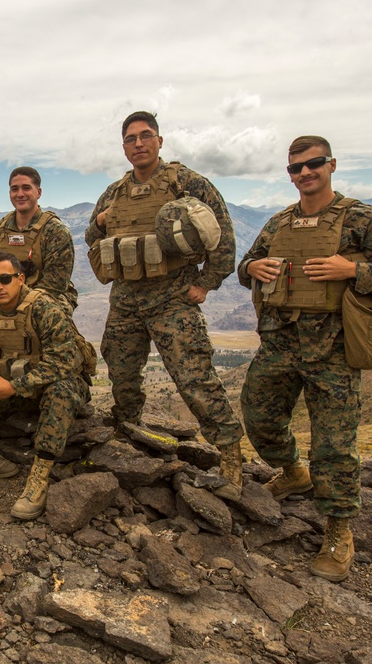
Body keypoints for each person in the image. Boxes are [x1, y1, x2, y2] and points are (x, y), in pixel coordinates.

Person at [239, 135, 372, 581]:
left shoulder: (363, 219)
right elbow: (249, 263)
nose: (304, 173)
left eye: (313, 164)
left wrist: (354, 270)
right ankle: (292, 472)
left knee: (334, 445)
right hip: (280, 341)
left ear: (331, 165)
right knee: (258, 415)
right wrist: (252, 269)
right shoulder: (280, 222)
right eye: (295, 168)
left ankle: (340, 529)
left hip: (334, 349)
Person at [84, 110, 244, 499]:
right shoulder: (113, 192)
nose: (138, 144)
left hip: (172, 299)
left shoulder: (186, 183)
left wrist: (206, 283)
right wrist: (102, 220)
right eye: (130, 139)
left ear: (159, 140)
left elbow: (223, 237)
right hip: (124, 300)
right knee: (121, 375)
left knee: (194, 379)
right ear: (123, 147)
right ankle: (128, 438)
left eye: (145, 136)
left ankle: (231, 456)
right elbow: (91, 235)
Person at [0, 252, 90, 520]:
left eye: (5, 279)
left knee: (62, 389)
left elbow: (63, 362)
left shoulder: (45, 308)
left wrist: (14, 387)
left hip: (50, 386)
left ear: (20, 279)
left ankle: (39, 477)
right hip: (15, 387)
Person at [0, 167, 78, 313]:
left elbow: (55, 283)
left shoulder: (55, 231)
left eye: (26, 188)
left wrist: (21, 306)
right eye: (14, 189)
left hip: (45, 303)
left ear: (38, 192)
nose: (20, 194)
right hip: (3, 301)